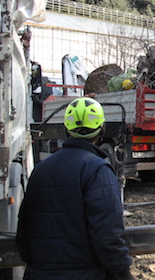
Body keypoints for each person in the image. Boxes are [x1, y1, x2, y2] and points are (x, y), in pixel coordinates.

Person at [16, 97, 133, 280]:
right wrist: (123, 273)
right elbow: (107, 235)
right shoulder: (97, 170)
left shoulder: (40, 170)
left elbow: (24, 230)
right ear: (101, 130)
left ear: (66, 129)